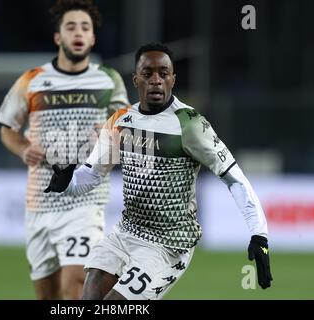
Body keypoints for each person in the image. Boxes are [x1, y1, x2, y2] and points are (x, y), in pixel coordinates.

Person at [45, 43, 273, 300]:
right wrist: (66, 181)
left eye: (163, 73)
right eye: (148, 73)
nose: (156, 80)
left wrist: (259, 234)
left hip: (168, 244)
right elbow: (91, 175)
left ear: (173, 79)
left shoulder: (189, 124)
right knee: (89, 294)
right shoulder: (120, 120)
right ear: (135, 79)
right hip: (125, 233)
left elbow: (235, 178)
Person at [0, 0, 129, 300]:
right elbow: (7, 128)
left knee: (75, 287)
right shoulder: (32, 80)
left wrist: (110, 135)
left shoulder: (108, 80)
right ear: (58, 37)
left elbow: (124, 128)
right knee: (48, 297)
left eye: (85, 27)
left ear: (93, 38)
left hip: (83, 201)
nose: (78, 32)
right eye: (71, 27)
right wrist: (22, 148)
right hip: (40, 204)